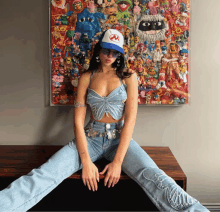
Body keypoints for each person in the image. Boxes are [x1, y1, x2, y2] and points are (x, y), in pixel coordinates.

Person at [0, 29, 209, 212]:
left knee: (156, 177)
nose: (110, 56)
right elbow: (77, 123)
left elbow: (130, 121)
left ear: (120, 54)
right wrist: (85, 161)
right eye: (106, 50)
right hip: (90, 137)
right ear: (98, 50)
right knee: (44, 174)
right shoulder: (86, 77)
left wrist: (118, 162)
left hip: (119, 140)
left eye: (115, 52)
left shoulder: (129, 77)